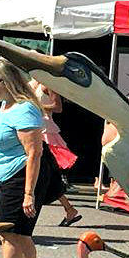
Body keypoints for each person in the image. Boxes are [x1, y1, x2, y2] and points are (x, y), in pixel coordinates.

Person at [0, 58, 64, 258]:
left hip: (19, 179)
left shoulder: (24, 109)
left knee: (9, 234)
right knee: (21, 234)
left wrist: (28, 193)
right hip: (7, 178)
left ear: (6, 83)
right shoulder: (7, 105)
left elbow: (34, 153)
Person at [33, 80, 82, 226]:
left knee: (44, 171)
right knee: (44, 173)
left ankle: (68, 209)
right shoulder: (31, 83)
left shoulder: (47, 84)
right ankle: (69, 209)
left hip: (46, 129)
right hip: (35, 127)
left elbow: (58, 107)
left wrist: (39, 107)